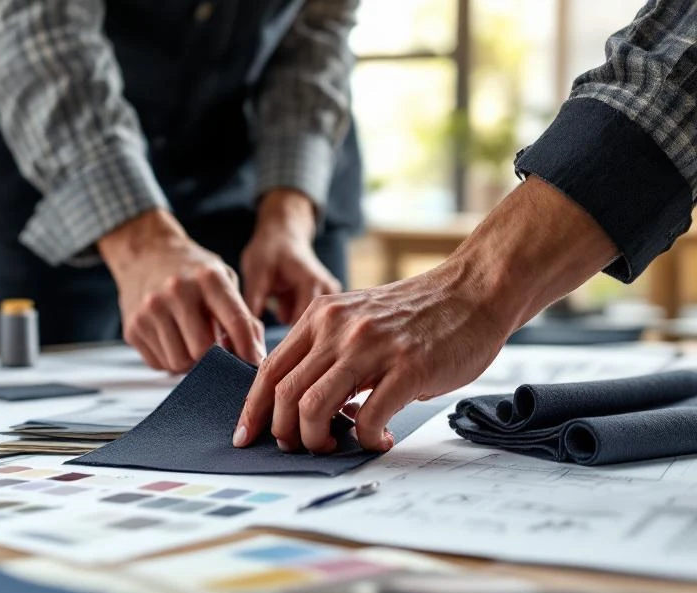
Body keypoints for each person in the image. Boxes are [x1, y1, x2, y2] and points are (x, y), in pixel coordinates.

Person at [234, 0, 697, 455]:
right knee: (299, 375)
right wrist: (168, 238)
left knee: (318, 380)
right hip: (197, 219)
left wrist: (472, 287)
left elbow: (313, 43)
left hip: (291, 188)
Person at [0, 1, 364, 373]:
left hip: (256, 167)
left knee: (313, 385)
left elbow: (318, 33)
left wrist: (289, 215)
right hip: (59, 177)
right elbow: (40, 35)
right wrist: (139, 242)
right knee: (27, 408)